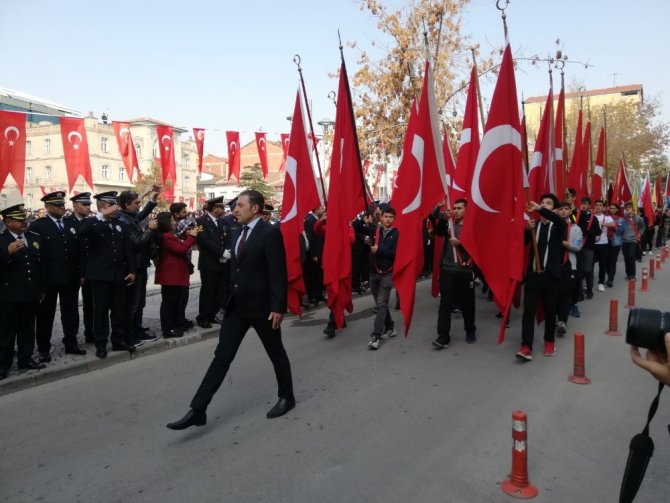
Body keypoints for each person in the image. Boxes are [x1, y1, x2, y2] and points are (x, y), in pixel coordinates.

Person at [167, 190, 293, 430]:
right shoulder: (236, 233)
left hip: (262, 308)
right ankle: (198, 409)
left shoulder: (270, 233)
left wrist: (278, 307)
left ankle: (287, 396)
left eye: (240, 206)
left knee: (276, 353)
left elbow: (278, 273)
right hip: (236, 307)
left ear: (255, 209)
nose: (234, 210)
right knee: (221, 357)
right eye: (234, 206)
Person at [29, 191, 87, 360]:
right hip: (49, 279)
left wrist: (82, 272)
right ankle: (44, 349)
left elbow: (80, 251)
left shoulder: (71, 223)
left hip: (70, 277)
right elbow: (36, 257)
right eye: (57, 205)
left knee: (71, 313)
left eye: (63, 204)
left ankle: (71, 343)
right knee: (45, 315)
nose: (62, 208)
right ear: (47, 207)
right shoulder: (38, 226)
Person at [78, 192, 136, 358]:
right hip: (100, 276)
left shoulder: (119, 224)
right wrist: (99, 217)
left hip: (119, 275)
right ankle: (101, 343)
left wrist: (131, 270)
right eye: (112, 205)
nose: (116, 208)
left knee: (118, 310)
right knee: (101, 311)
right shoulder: (93, 223)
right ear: (102, 207)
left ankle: (118, 341)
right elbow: (81, 232)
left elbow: (127, 249)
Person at [517, 195, 566, 361]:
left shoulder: (558, 225)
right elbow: (523, 244)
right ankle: (526, 345)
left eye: (548, 203)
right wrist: (526, 230)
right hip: (533, 275)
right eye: (542, 202)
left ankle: (549, 341)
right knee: (528, 311)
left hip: (551, 276)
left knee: (550, 310)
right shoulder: (534, 225)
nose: (544, 205)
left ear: (555, 209)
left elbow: (558, 221)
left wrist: (539, 208)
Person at [0, 204, 45, 379]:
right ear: (8, 222)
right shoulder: (2, 241)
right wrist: (7, 252)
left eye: (24, 219)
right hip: (8, 295)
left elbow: (40, 266)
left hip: (30, 293)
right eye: (19, 220)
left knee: (27, 329)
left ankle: (25, 359)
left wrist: (42, 288)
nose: (24, 222)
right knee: (6, 332)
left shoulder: (33, 237)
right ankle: (3, 365)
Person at [431, 199, 476, 348]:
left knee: (467, 303)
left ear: (466, 210)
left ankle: (470, 330)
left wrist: (461, 243)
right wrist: (439, 207)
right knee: (445, 304)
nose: (456, 211)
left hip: (465, 270)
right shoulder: (449, 224)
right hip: (448, 269)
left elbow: (477, 247)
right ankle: (443, 336)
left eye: (459, 208)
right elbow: (437, 228)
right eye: (454, 208)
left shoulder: (471, 227)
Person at [117, 188, 159, 345]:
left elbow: (141, 215)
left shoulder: (129, 216)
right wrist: (150, 229)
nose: (139, 205)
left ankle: (137, 328)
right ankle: (130, 334)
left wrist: (152, 200)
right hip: (133, 267)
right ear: (127, 205)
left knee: (140, 302)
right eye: (136, 203)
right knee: (132, 304)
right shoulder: (123, 220)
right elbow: (138, 242)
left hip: (140, 265)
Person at [154, 212, 197, 338]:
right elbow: (181, 249)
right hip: (170, 275)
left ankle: (174, 326)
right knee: (169, 303)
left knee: (174, 302)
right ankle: (168, 329)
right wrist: (191, 237)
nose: (174, 222)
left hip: (174, 273)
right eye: (172, 220)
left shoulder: (169, 235)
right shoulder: (166, 236)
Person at [195, 196, 231, 329]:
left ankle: (212, 314)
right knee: (208, 291)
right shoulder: (200, 221)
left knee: (219, 291)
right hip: (209, 262)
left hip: (222, 262)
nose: (222, 209)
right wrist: (221, 252)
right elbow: (204, 240)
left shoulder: (222, 222)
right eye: (219, 207)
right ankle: (203, 317)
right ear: (213, 208)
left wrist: (227, 251)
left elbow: (228, 237)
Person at [64, 192, 95, 342]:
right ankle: (71, 338)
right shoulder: (66, 223)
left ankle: (90, 333)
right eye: (84, 204)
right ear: (74, 205)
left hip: (90, 269)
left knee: (91, 304)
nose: (88, 207)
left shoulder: (92, 222)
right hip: (72, 270)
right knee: (70, 306)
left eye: (89, 204)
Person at [367, 206, 398, 350]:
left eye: (391, 217)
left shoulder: (397, 234)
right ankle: (390, 327)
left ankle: (376, 336)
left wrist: (380, 249)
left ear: (394, 219)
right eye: (386, 217)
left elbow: (395, 254)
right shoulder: (377, 231)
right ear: (382, 217)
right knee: (381, 304)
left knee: (381, 305)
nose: (388, 219)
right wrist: (368, 241)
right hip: (373, 272)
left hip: (387, 273)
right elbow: (366, 236)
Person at [555, 201, 583, 337]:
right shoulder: (552, 227)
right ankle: (555, 316)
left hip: (569, 265)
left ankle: (562, 321)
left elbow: (577, 247)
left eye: (566, 209)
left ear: (570, 211)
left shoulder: (576, 229)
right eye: (561, 209)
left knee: (565, 294)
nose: (564, 211)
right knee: (554, 294)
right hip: (552, 266)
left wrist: (561, 242)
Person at [169, 202, 195, 330]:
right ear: (176, 214)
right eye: (183, 212)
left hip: (185, 267)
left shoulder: (183, 229)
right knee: (177, 297)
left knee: (184, 295)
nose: (186, 214)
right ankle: (176, 321)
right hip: (176, 269)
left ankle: (181, 318)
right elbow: (181, 249)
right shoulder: (173, 235)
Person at [304, 206, 326, 305]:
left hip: (320, 251)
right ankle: (312, 296)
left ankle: (319, 295)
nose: (323, 210)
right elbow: (311, 239)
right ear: (316, 210)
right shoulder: (310, 220)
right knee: (313, 276)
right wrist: (314, 254)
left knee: (319, 275)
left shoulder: (317, 219)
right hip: (314, 253)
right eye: (321, 209)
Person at [592, 200, 614, 292]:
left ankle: (601, 283)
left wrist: (603, 224)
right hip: (591, 244)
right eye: (596, 205)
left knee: (603, 265)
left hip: (603, 244)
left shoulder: (606, 217)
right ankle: (588, 282)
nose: (598, 207)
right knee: (589, 265)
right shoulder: (591, 216)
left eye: (600, 205)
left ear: (603, 207)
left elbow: (613, 224)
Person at [618, 202, 644, 280]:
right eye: (626, 208)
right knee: (626, 258)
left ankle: (633, 275)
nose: (628, 209)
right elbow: (619, 229)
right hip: (624, 241)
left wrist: (640, 233)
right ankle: (628, 274)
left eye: (629, 207)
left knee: (631, 255)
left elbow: (643, 227)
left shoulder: (638, 218)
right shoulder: (623, 219)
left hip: (633, 240)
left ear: (633, 208)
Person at [605, 202, 623, 288]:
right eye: (610, 208)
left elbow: (621, 230)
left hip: (615, 242)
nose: (612, 210)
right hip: (605, 241)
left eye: (613, 208)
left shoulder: (620, 219)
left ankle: (610, 279)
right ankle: (609, 276)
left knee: (612, 261)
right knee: (606, 261)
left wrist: (613, 226)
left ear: (617, 210)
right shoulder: (605, 217)